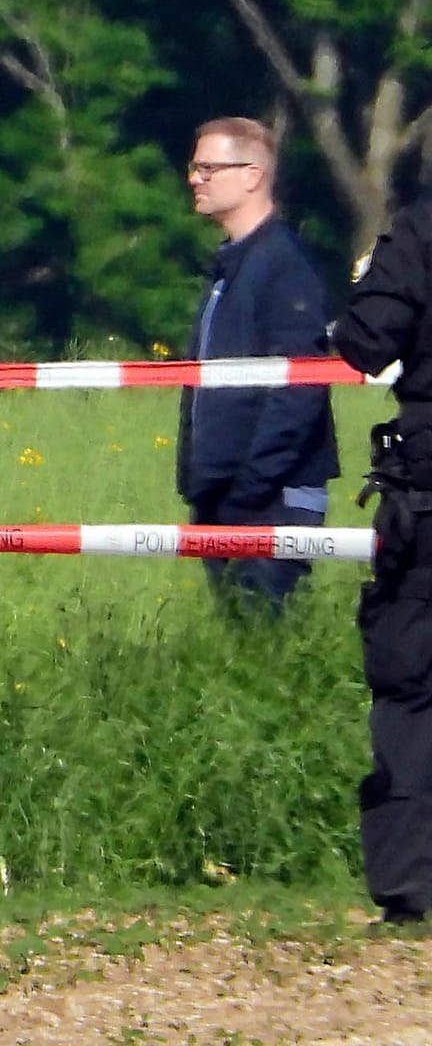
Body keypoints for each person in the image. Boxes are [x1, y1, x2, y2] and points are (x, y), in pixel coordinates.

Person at [175, 116, 338, 611]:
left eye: (208, 168)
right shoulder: (231, 265)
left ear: (252, 175)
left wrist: (249, 487)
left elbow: (301, 386)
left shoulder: (282, 264)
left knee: (262, 642)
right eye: (194, 167)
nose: (194, 179)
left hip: (269, 501)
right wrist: (201, 485)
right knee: (238, 648)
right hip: (222, 498)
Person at [333, 194, 432, 924]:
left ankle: (410, 888)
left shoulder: (422, 228)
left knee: (411, 684)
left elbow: (368, 342)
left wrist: (369, 279)